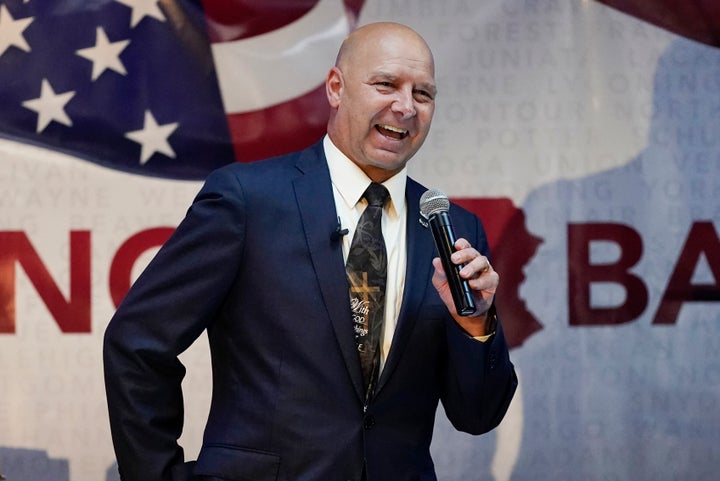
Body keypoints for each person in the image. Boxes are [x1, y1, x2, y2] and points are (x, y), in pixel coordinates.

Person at [103, 21, 517, 481]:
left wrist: (476, 324)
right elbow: (137, 342)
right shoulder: (247, 199)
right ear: (336, 88)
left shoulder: (455, 229)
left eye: (423, 94)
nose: (405, 106)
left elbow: (477, 416)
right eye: (386, 85)